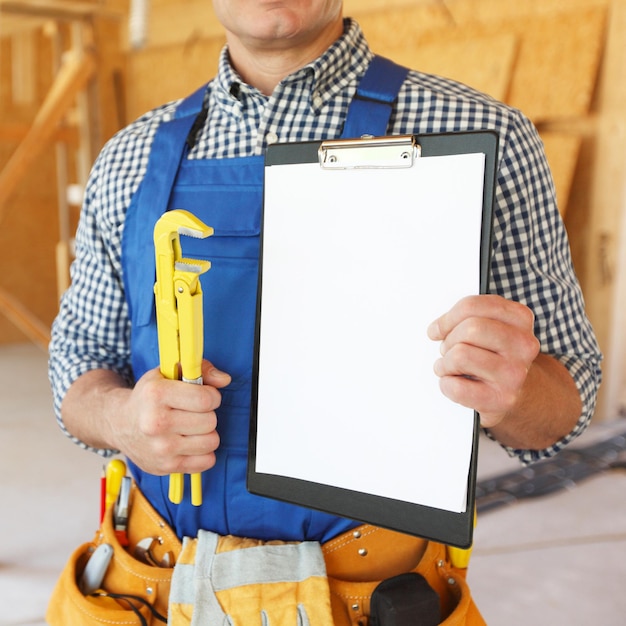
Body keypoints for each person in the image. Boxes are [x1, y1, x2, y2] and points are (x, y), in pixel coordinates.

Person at [48, 1, 602, 623]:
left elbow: (563, 402)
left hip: (374, 597)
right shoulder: (129, 158)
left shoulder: (480, 133)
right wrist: (122, 418)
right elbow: (80, 360)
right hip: (156, 588)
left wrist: (514, 392)